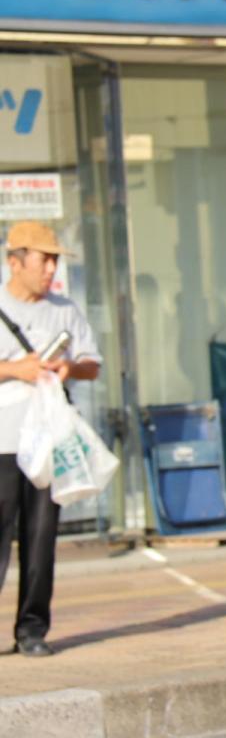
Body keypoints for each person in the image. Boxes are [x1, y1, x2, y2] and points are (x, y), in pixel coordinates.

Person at [0, 221, 101, 658]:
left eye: (55, 260)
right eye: (44, 259)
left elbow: (91, 363)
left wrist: (68, 369)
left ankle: (32, 630)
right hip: (3, 441)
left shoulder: (65, 310)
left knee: (41, 538)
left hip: (50, 440)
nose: (50, 269)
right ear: (15, 261)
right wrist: (12, 369)